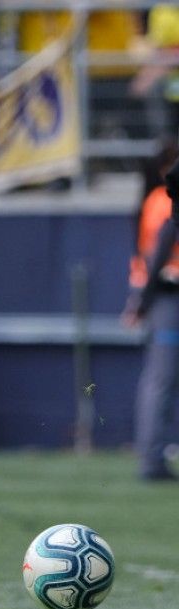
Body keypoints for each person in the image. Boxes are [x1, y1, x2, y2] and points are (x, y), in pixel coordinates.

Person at [122, 142, 179, 481]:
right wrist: (141, 302)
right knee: (161, 379)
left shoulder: (154, 199)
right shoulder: (165, 200)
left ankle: (154, 456)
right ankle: (152, 460)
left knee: (161, 380)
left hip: (159, 295)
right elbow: (158, 253)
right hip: (167, 296)